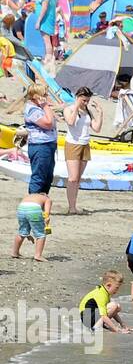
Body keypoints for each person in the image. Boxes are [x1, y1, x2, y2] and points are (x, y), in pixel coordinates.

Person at [60, 86, 102, 215]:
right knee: (72, 178)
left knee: (78, 178)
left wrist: (100, 113)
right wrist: (77, 106)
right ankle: (71, 207)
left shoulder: (87, 111)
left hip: (85, 144)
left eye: (87, 101)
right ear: (78, 98)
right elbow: (71, 122)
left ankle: (73, 205)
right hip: (73, 144)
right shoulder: (69, 109)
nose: (85, 103)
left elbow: (96, 128)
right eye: (83, 100)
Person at [22, 84, 58, 197]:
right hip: (40, 145)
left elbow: (53, 119)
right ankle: (33, 202)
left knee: (48, 176)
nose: (46, 97)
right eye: (45, 95)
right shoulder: (32, 109)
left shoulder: (39, 108)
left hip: (48, 144)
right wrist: (46, 106)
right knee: (39, 175)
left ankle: (42, 200)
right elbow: (47, 124)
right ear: (37, 96)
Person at [13, 189, 51, 261]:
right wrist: (47, 223)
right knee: (41, 234)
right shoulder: (47, 199)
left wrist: (27, 234)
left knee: (22, 231)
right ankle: (38, 255)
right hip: (34, 209)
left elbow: (27, 215)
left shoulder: (30, 196)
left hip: (21, 209)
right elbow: (47, 214)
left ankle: (15, 252)